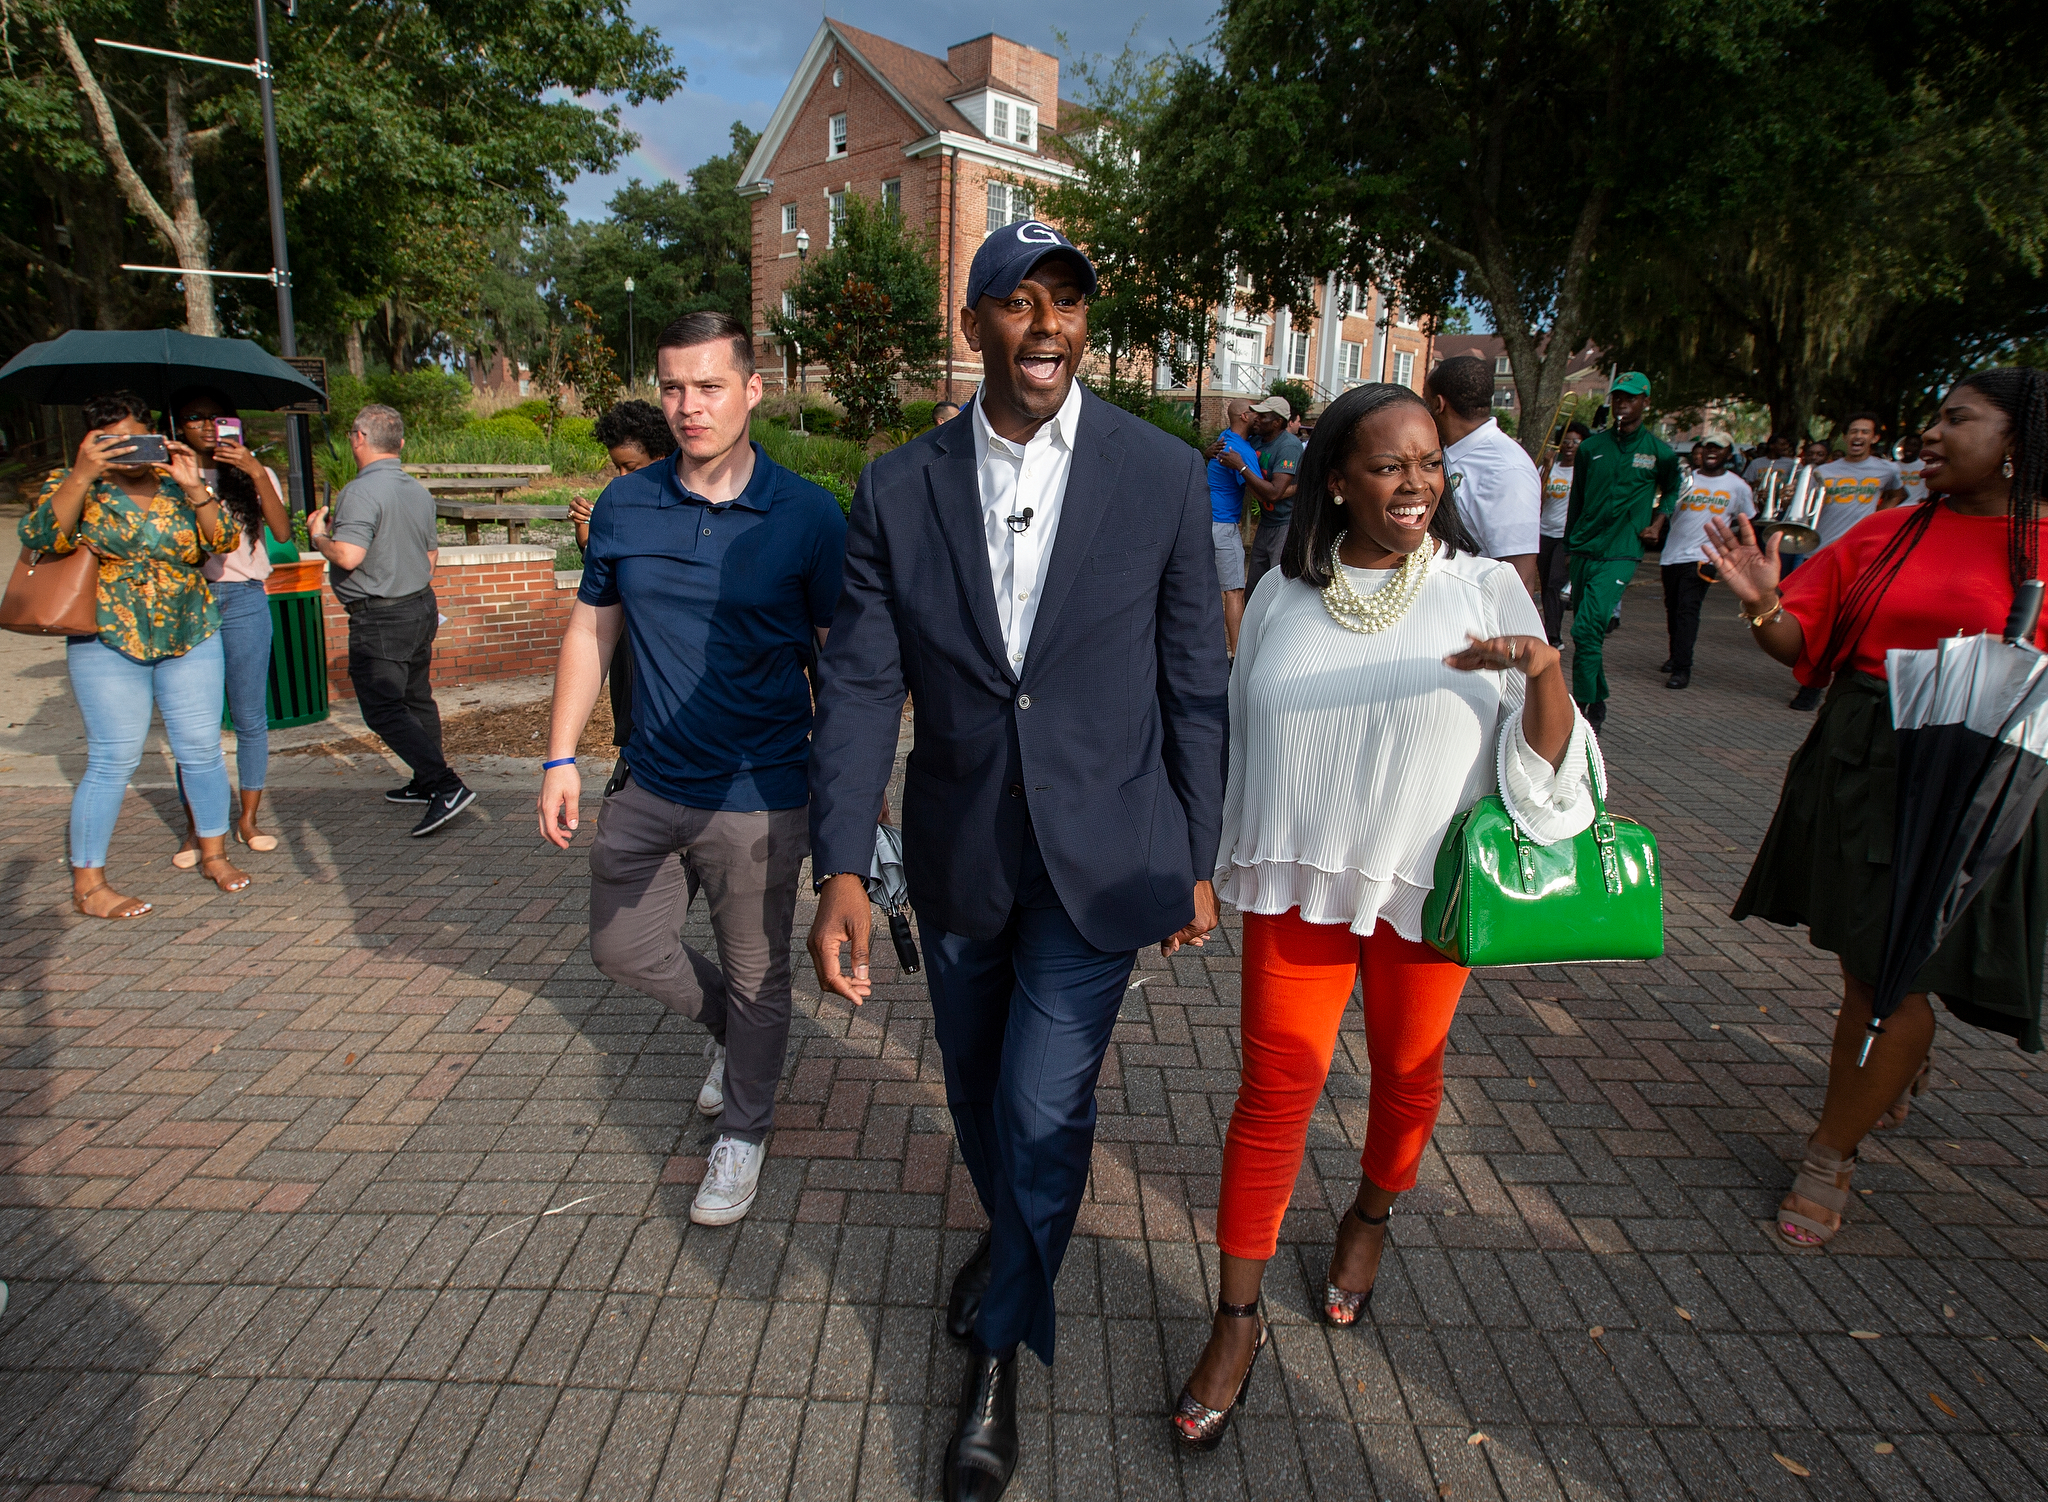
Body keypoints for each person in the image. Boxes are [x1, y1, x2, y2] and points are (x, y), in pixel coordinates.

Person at [805, 220, 1225, 1502]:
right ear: (974, 321)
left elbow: (1193, 681)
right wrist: (840, 867)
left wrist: (1196, 851)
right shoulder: (896, 486)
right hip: (960, 847)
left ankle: (995, 1365)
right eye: (1017, 301)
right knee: (985, 1093)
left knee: (1043, 1103)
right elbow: (865, 682)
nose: (1046, 324)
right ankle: (1013, 1234)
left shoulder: (1160, 473)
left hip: (1102, 853)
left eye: (1067, 303)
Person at [1172, 381, 1595, 1450]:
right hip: (1295, 885)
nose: (1415, 483)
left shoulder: (1484, 586)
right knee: (1273, 1090)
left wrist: (1543, 669)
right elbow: (1237, 732)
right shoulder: (1280, 591)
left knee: (1408, 1070)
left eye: (1428, 463)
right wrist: (1200, 864)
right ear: (1333, 479)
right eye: (1387, 465)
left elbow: (1550, 765)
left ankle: (1369, 1214)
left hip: (1424, 890)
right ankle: (1234, 1318)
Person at [1707, 366, 2048, 1252]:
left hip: (1984, 783)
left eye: (1957, 420)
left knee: (1897, 977)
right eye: (1933, 417)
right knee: (1874, 960)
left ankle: (1830, 1154)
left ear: (2017, 444)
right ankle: (1890, 1068)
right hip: (1868, 758)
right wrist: (1761, 603)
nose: (1931, 435)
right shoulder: (1888, 533)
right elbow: (1801, 645)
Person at [540, 313, 845, 1228]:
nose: (688, 405)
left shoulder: (809, 516)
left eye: (709, 385)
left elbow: (841, 666)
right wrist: (560, 754)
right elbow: (594, 630)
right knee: (620, 947)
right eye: (674, 386)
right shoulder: (629, 504)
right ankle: (734, 1037)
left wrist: (849, 804)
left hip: (759, 797)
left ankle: (745, 1132)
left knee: (760, 975)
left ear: (753, 390)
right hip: (648, 781)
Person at [20, 391, 247, 916]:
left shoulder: (177, 484)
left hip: (191, 632)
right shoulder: (75, 485)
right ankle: (88, 885)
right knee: (111, 760)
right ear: (94, 444)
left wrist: (196, 488)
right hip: (108, 638)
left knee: (201, 750)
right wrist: (79, 474)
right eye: (115, 442)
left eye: (139, 436)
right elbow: (38, 536)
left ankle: (213, 852)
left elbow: (224, 542)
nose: (134, 452)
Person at [307, 405, 476, 836]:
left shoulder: (359, 493)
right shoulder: (416, 491)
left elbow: (348, 555)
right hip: (418, 605)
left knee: (383, 708)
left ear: (358, 438)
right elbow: (431, 555)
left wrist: (318, 536)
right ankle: (426, 780)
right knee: (417, 697)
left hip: (381, 616)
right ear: (400, 444)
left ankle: (444, 785)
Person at [166, 386, 293, 864]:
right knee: (192, 725)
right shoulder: (168, 475)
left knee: (249, 717)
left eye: (215, 417)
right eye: (193, 417)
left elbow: (282, 534)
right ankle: (198, 827)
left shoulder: (252, 474)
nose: (204, 425)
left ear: (232, 423)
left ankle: (247, 819)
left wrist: (255, 472)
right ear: (178, 424)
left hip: (243, 599)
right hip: (188, 602)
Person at [1563, 371, 1682, 730]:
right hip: (1584, 548)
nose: (1622, 404)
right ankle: (1597, 699)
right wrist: (1570, 546)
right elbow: (1577, 499)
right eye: (1617, 397)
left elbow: (1673, 490)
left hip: (1621, 551)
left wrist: (1658, 523)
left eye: (1630, 398)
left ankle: (1584, 707)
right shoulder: (1590, 448)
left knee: (1585, 630)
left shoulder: (1660, 452)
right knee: (1585, 632)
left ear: (1645, 402)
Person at [566, 400, 677, 753]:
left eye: (631, 467)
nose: (621, 478)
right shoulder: (620, 506)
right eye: (616, 468)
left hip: (662, 650)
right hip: (629, 651)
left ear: (660, 456)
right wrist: (587, 535)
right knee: (631, 729)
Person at [1427, 354, 1541, 595]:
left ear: (1438, 404)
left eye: (1424, 401)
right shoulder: (1448, 453)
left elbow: (1520, 577)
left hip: (1475, 619)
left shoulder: (1505, 469)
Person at [1657, 431, 1753, 690]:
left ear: (1728, 454)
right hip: (1672, 554)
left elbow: (1747, 521)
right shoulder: (1684, 480)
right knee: (1673, 609)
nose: (1712, 452)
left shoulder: (1737, 486)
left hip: (1704, 557)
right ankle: (1676, 655)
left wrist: (1732, 551)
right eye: (1707, 447)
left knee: (1688, 610)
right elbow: (1664, 506)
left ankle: (1682, 669)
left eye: (1718, 448)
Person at [1205, 399, 1262, 654]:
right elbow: (1263, 492)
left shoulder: (1223, 438)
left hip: (1206, 521)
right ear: (1244, 416)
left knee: (1209, 588)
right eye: (1255, 413)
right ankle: (1237, 654)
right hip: (1224, 527)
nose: (1259, 417)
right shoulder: (1241, 452)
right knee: (1234, 591)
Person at [1813, 413, 1907, 550]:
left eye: (1865, 432)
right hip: (1822, 546)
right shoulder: (1822, 471)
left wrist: (1877, 519)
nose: (1858, 436)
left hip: (1859, 548)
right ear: (1845, 437)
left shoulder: (1888, 469)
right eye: (1853, 431)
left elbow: (1898, 494)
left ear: (1875, 438)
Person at [1242, 396, 1303, 596]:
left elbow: (1275, 493)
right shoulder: (1256, 441)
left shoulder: (1288, 446)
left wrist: (1241, 468)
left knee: (1276, 586)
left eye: (1262, 416)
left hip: (1285, 523)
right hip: (1267, 521)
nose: (1256, 419)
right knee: (1253, 588)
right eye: (1256, 414)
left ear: (1277, 422)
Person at [1538, 421, 1588, 646]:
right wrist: (1547, 468)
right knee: (1546, 584)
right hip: (1543, 533)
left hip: (1566, 536)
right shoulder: (1550, 468)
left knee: (1555, 584)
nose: (1569, 445)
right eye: (1566, 441)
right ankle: (1550, 632)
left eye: (1576, 442)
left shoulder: (1584, 471)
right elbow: (1535, 499)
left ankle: (1553, 636)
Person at [1898, 430, 1927, 503]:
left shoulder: (1925, 466)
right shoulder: (1893, 466)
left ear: (1920, 448)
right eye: (1908, 444)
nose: (1909, 448)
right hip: (1895, 509)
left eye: (1914, 445)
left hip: (1914, 508)